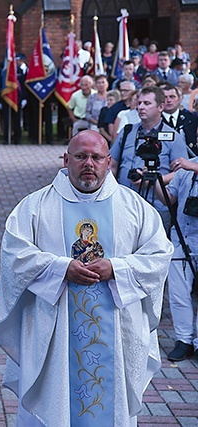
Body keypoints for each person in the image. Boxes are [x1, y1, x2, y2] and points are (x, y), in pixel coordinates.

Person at [0, 130, 173, 426]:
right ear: (66, 160)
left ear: (109, 162)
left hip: (117, 329)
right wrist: (61, 268)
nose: (89, 163)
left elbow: (158, 257)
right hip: (56, 333)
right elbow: (14, 254)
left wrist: (116, 268)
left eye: (96, 157)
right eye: (80, 156)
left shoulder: (135, 208)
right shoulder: (35, 206)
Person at [110, 86, 188, 231]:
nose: (141, 107)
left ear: (161, 107)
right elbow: (111, 165)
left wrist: (152, 179)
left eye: (147, 103)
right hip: (125, 204)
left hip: (157, 207)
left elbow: (183, 172)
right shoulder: (127, 132)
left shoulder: (172, 137)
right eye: (139, 103)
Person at [156, 155, 198, 361]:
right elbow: (168, 199)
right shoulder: (185, 168)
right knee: (179, 294)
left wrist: (193, 167)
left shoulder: (189, 165)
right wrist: (156, 179)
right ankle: (184, 341)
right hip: (182, 239)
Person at [159, 82, 198, 157]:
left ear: (179, 99)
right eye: (165, 97)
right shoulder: (155, 121)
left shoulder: (193, 119)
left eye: (172, 97)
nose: (168, 100)